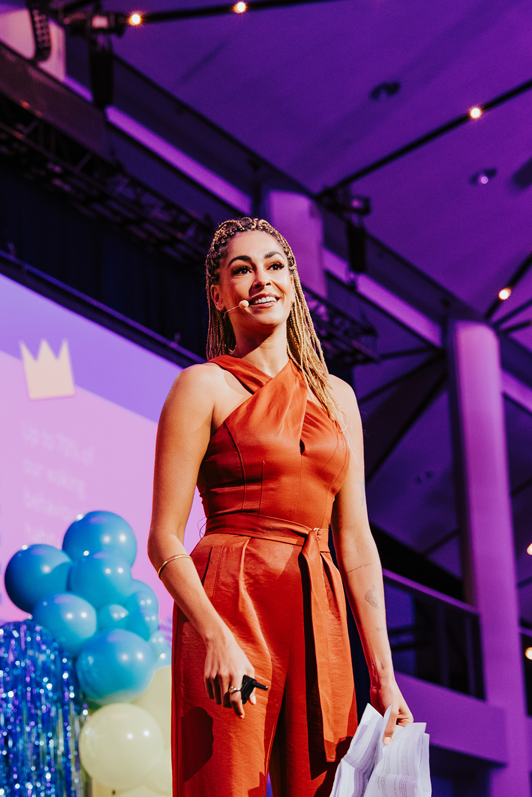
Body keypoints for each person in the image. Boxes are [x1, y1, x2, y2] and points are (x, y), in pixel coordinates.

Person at [148, 218, 412, 797]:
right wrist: (213, 632)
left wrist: (384, 677)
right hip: (229, 603)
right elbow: (164, 539)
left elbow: (357, 540)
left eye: (273, 265)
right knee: (223, 785)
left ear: (293, 282)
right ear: (219, 295)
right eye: (240, 270)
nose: (260, 279)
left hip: (321, 610)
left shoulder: (338, 397)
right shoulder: (202, 386)